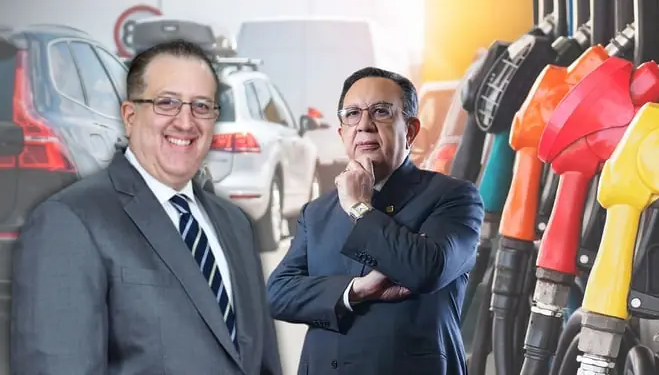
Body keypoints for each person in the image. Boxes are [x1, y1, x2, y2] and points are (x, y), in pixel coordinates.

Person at [10, 40, 282, 375]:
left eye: (201, 106)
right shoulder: (69, 222)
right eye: (167, 103)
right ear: (129, 116)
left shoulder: (235, 224)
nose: (186, 122)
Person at [267, 67, 484, 375]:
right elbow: (278, 293)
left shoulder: (452, 197)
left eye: (381, 111)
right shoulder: (316, 213)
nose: (364, 125)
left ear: (410, 130)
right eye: (352, 114)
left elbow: (428, 268)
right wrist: (356, 290)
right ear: (342, 133)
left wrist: (358, 208)